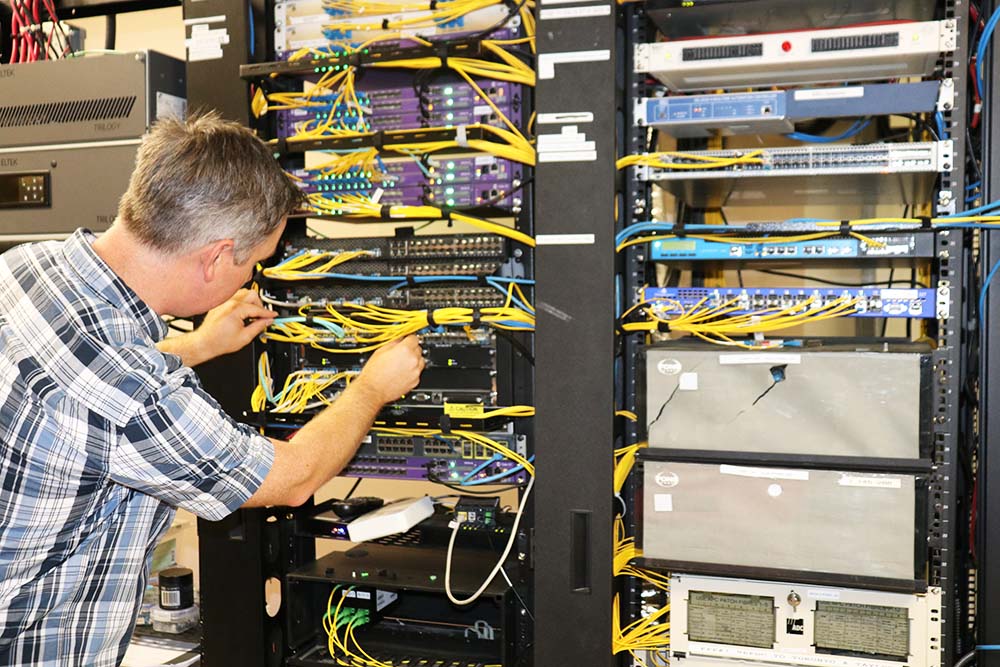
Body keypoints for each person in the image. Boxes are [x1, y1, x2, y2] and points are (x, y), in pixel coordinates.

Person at [0, 112, 425, 666]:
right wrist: (371, 387)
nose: (249, 279)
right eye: (253, 263)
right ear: (218, 256)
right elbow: (292, 479)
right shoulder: (131, 393)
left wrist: (197, 346)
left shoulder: (27, 267)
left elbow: (76, 384)